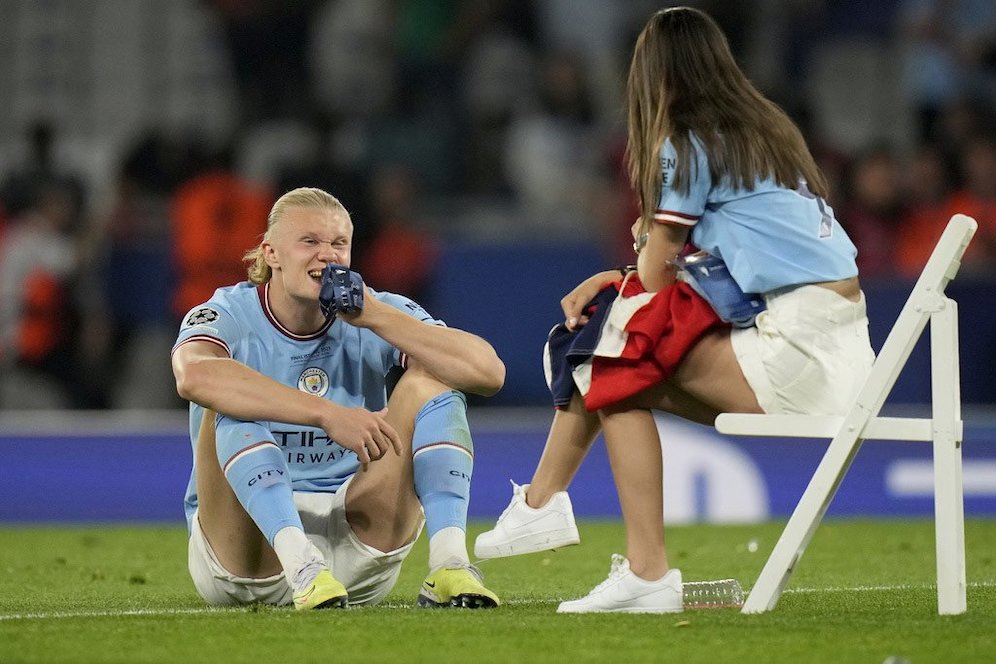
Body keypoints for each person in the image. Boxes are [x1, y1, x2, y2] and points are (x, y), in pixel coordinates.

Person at [475, 6, 875, 614]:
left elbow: (657, 275)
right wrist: (627, 271)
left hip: (796, 348)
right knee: (616, 368)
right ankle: (554, 515)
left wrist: (629, 261)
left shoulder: (684, 142)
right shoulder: (764, 132)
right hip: (838, 347)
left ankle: (589, 536)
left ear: (652, 74)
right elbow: (686, 263)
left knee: (611, 350)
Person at [171, 187, 506, 610]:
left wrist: (376, 316)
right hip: (253, 556)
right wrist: (327, 414)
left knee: (434, 378)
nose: (327, 255)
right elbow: (195, 375)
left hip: (358, 541)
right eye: (309, 242)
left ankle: (451, 563)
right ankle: (303, 566)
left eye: (338, 244)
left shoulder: (375, 311)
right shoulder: (227, 313)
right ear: (271, 253)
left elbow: (488, 373)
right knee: (231, 397)